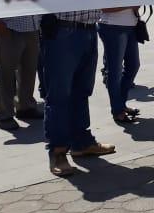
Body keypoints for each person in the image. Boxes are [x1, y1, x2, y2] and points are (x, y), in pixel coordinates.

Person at [43, 10, 116, 177]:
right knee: (59, 95)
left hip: (89, 29)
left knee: (82, 90)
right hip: (63, 30)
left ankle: (81, 142)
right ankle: (58, 152)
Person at [0, 14, 43, 130]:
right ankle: (4, 115)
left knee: (29, 71)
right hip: (9, 28)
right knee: (5, 74)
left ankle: (25, 107)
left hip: (32, 27)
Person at [98, 6, 140, 125]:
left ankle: (121, 105)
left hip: (131, 25)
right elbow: (103, 8)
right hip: (112, 26)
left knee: (133, 66)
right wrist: (131, 4)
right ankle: (117, 110)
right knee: (115, 71)